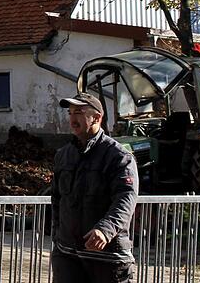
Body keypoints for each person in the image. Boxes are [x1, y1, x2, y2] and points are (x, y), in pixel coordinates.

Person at [50, 92, 139, 283]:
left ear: (97, 117)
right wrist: (59, 235)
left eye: (79, 112)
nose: (73, 118)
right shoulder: (63, 155)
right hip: (68, 255)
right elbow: (57, 199)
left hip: (107, 258)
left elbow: (125, 199)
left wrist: (105, 230)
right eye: (70, 113)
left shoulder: (118, 157)